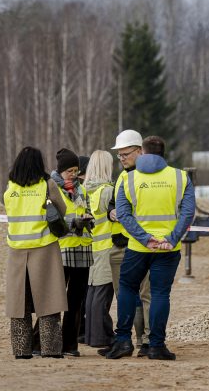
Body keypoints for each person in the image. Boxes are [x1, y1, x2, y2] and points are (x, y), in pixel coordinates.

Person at [104, 134, 195, 361]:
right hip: (167, 249)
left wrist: (145, 239)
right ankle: (155, 345)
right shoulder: (180, 177)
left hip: (137, 247)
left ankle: (123, 341)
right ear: (163, 153)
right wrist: (172, 238)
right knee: (160, 294)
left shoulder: (128, 179)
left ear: (142, 152)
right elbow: (187, 212)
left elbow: (123, 214)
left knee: (127, 288)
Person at [4, 146, 68, 359]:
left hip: (16, 249)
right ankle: (50, 348)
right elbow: (62, 209)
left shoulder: (11, 186)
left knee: (19, 303)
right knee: (49, 299)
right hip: (44, 247)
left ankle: (21, 349)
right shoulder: (47, 184)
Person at [108, 129, 152, 355]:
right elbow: (113, 204)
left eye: (125, 154)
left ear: (140, 151)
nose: (122, 158)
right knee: (126, 296)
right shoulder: (122, 178)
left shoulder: (149, 177)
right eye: (119, 155)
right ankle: (134, 339)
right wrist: (111, 212)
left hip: (142, 245)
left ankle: (148, 341)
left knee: (146, 295)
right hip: (121, 244)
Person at [52, 148, 93, 357]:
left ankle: (70, 345)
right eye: (70, 171)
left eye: (76, 170)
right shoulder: (52, 189)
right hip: (61, 249)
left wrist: (88, 220)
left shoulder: (82, 190)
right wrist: (73, 223)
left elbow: (88, 210)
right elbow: (51, 220)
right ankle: (43, 342)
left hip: (82, 250)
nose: (74, 174)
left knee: (75, 302)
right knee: (54, 299)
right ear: (60, 171)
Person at [83, 149, 116, 350]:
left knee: (93, 292)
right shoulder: (107, 191)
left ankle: (91, 335)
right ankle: (102, 336)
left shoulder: (85, 191)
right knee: (103, 294)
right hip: (107, 247)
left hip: (92, 246)